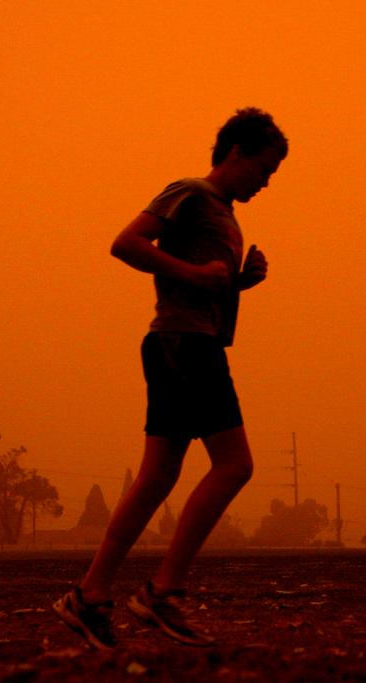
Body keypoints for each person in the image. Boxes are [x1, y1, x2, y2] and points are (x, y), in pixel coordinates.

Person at [54, 108, 288, 649]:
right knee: (235, 466)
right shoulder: (190, 192)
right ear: (235, 152)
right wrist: (197, 274)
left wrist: (237, 284)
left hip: (183, 344)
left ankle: (89, 598)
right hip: (184, 346)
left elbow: (203, 285)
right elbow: (126, 244)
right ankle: (162, 593)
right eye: (264, 166)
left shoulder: (223, 213)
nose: (267, 180)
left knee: (157, 479)